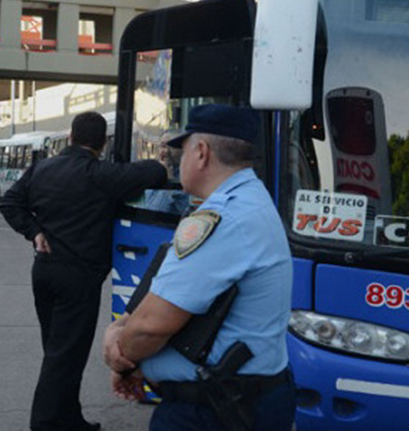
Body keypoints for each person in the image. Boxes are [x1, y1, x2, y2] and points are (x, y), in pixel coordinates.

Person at [103, 104, 296, 431]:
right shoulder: (251, 201)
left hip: (213, 411)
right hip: (238, 400)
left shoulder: (223, 219)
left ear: (202, 152)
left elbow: (153, 325)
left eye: (183, 150)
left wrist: (120, 355)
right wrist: (122, 332)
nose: (179, 161)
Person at [0, 111, 167, 431]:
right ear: (103, 143)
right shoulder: (102, 174)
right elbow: (154, 173)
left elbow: (10, 204)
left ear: (71, 137)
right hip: (79, 278)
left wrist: (33, 230)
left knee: (60, 351)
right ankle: (46, 423)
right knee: (64, 355)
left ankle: (68, 418)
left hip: (44, 271)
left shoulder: (41, 168)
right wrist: (161, 158)